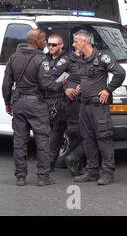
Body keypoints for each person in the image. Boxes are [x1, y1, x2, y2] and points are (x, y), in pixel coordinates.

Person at [2, 28, 62, 186]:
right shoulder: (42, 59)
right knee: (42, 139)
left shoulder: (13, 57)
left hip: (19, 103)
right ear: (38, 41)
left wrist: (8, 103)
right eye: (44, 40)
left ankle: (20, 176)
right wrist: (60, 83)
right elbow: (46, 84)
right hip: (37, 104)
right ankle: (43, 177)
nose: (46, 43)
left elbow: (6, 84)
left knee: (19, 140)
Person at [72, 30, 125, 185]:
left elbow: (120, 73)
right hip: (84, 106)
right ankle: (92, 171)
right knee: (88, 139)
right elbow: (82, 78)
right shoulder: (80, 59)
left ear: (85, 42)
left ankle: (107, 173)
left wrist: (108, 90)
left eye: (76, 41)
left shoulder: (102, 57)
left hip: (98, 106)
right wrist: (79, 87)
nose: (74, 44)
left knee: (104, 138)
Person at [43, 34, 70, 171]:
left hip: (59, 100)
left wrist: (51, 82)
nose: (50, 47)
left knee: (56, 132)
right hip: (43, 99)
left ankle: (50, 163)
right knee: (43, 132)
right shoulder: (43, 58)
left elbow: (57, 77)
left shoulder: (67, 59)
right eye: (49, 44)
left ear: (61, 45)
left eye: (54, 45)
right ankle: (45, 161)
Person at [63, 49, 86, 176]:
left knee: (80, 134)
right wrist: (66, 89)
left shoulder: (90, 59)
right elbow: (58, 80)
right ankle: (75, 163)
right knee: (76, 134)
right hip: (73, 104)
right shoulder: (68, 61)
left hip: (82, 102)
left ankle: (76, 163)